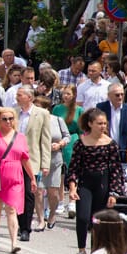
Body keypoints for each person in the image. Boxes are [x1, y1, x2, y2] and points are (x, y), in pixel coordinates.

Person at [66, 108, 125, 254]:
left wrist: (114, 193)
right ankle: (81, 251)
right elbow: (74, 168)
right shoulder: (81, 143)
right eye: (99, 123)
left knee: (98, 221)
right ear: (90, 124)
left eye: (104, 123)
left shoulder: (110, 144)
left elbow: (116, 170)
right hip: (85, 184)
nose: (102, 126)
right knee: (83, 218)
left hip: (103, 185)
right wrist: (72, 188)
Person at [0, 107, 36, 254]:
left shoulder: (20, 137)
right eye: (4, 119)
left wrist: (32, 178)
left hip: (15, 176)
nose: (8, 121)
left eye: (11, 118)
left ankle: (14, 242)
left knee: (11, 209)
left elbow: (25, 159)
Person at [15, 86, 51, 241]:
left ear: (29, 97)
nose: (17, 97)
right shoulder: (13, 112)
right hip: (14, 159)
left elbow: (45, 139)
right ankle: (18, 224)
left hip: (32, 160)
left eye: (20, 95)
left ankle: (26, 228)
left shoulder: (42, 114)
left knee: (29, 194)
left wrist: (45, 163)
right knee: (16, 194)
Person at [36, 97, 71, 229]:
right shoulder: (34, 121)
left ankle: (52, 214)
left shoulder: (57, 120)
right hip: (38, 159)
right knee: (38, 191)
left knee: (53, 191)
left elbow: (67, 136)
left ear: (46, 109)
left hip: (55, 159)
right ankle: (40, 219)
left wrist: (60, 144)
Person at [53, 84, 83, 218]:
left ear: (74, 95)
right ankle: (60, 201)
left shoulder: (79, 110)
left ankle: (72, 201)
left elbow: (81, 130)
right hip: (59, 141)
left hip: (73, 141)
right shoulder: (57, 108)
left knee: (73, 171)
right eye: (64, 93)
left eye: (68, 94)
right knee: (60, 172)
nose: (65, 96)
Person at [96, 83, 127, 159]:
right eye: (117, 95)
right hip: (104, 150)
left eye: (122, 94)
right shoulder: (101, 107)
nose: (120, 97)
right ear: (109, 96)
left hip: (122, 151)